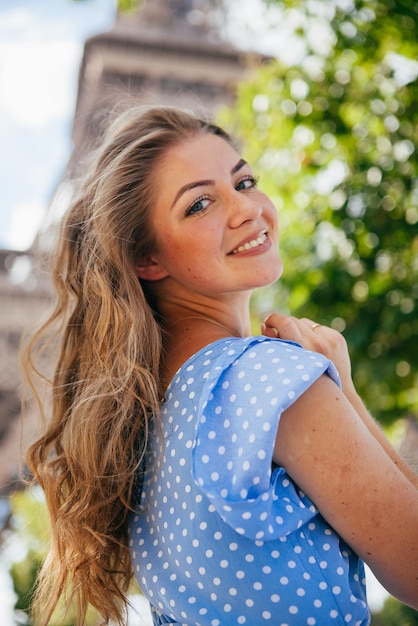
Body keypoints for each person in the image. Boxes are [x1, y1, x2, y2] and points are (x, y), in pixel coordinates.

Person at [22, 105, 418, 626]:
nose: (246, 209)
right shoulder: (269, 382)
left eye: (245, 181)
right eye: (200, 204)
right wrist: (342, 391)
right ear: (148, 259)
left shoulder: (148, 424)